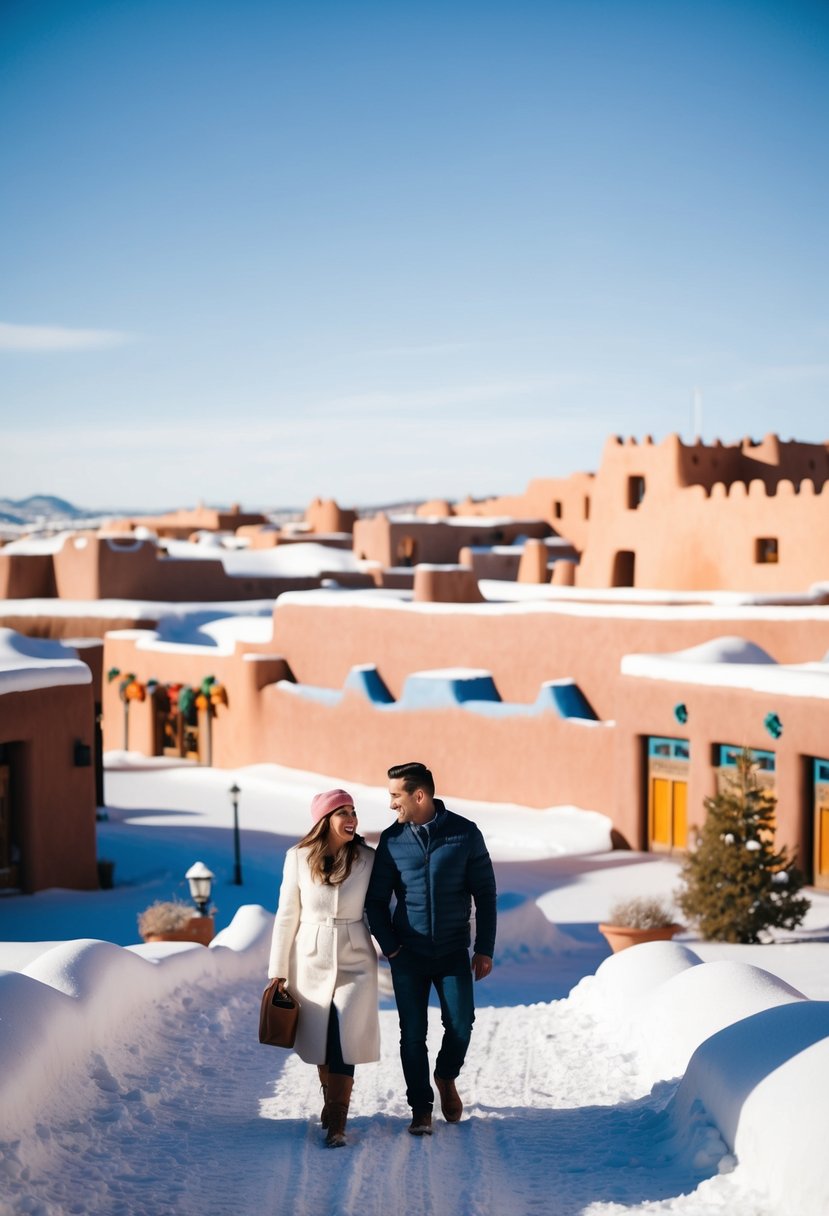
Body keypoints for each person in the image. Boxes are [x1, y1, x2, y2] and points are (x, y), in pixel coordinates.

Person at [366, 762, 497, 1136]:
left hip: (453, 951)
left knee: (461, 1024)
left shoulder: (464, 834)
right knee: (412, 1033)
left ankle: (445, 1075)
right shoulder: (392, 842)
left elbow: (485, 895)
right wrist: (392, 950)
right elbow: (376, 902)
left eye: (396, 795)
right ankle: (420, 1108)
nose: (392, 804)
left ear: (418, 795)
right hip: (408, 955)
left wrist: (483, 948)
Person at [268, 788, 380, 1147]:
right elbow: (287, 915)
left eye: (353, 812)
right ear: (324, 820)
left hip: (355, 952)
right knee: (321, 1035)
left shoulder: (368, 858)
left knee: (344, 1034)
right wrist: (278, 970)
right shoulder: (298, 857)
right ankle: (331, 1102)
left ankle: (337, 1119)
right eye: (342, 813)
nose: (351, 819)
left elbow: (383, 905)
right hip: (310, 955)